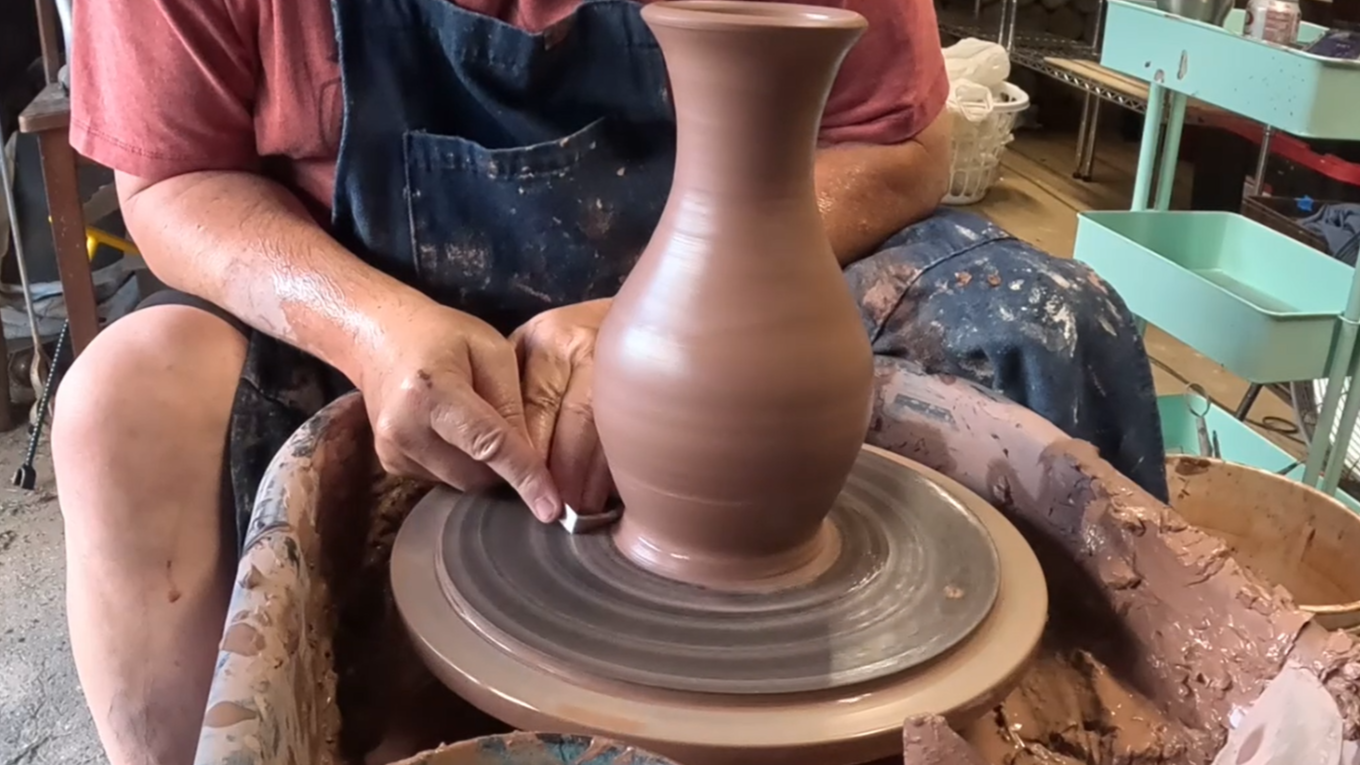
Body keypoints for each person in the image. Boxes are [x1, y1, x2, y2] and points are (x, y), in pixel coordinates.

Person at [56, 0, 1166, 762]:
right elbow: (172, 173)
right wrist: (372, 327)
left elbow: (899, 138)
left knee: (1047, 329)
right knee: (125, 409)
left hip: (732, 284)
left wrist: (659, 318)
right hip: (368, 285)